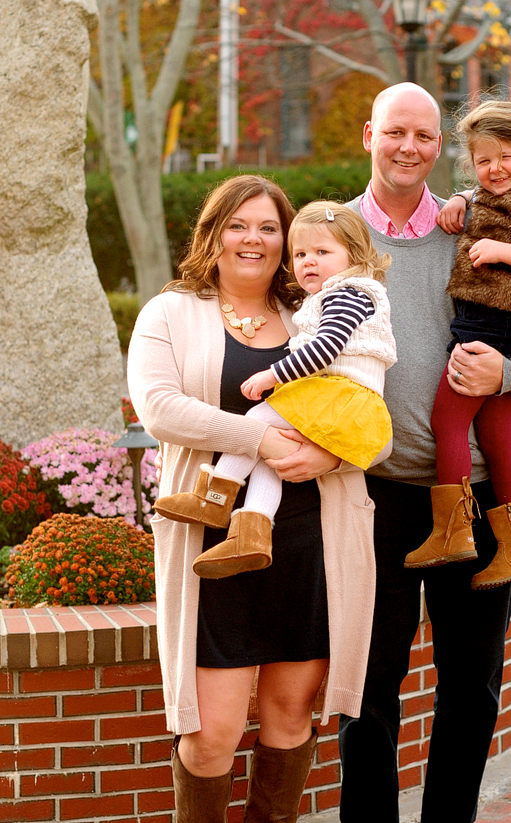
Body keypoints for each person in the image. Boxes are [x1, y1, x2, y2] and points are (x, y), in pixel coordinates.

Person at [334, 82, 511, 823]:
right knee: (372, 680)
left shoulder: (472, 222)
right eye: (394, 131)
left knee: (472, 680)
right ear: (370, 134)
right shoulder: (336, 232)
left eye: (424, 135)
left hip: (473, 494)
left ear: (440, 147)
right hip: (376, 493)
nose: (408, 146)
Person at [128, 175, 377, 823]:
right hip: (211, 544)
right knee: (210, 728)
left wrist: (324, 457)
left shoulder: (318, 312)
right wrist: (261, 440)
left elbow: (367, 414)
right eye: (240, 225)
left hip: (307, 543)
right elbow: (159, 406)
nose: (256, 239)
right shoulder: (172, 313)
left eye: (270, 228)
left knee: (288, 717)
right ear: (214, 233)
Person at [155, 201, 396, 579]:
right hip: (335, 399)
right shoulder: (170, 310)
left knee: (260, 416)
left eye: (322, 252)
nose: (308, 262)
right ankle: (252, 531)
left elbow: (324, 349)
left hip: (338, 400)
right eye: (301, 253)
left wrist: (273, 376)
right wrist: (271, 442)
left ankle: (215, 497)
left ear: (354, 255)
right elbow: (160, 410)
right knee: (272, 454)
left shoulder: (346, 294)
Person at [404, 100, 511, 584]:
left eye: (506, 157)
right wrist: (461, 199)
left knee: (447, 422)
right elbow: (479, 196)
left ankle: (453, 532)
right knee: (496, 437)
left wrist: (506, 251)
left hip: (497, 325)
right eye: (483, 161)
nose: (494, 169)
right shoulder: (490, 196)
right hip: (493, 322)